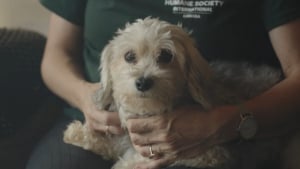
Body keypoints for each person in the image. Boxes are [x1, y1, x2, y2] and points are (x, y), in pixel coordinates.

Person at [26, 0, 300, 169]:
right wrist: (87, 97)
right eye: (130, 57)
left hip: (214, 121)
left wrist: (220, 122)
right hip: (95, 114)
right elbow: (55, 57)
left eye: (165, 57)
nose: (145, 73)